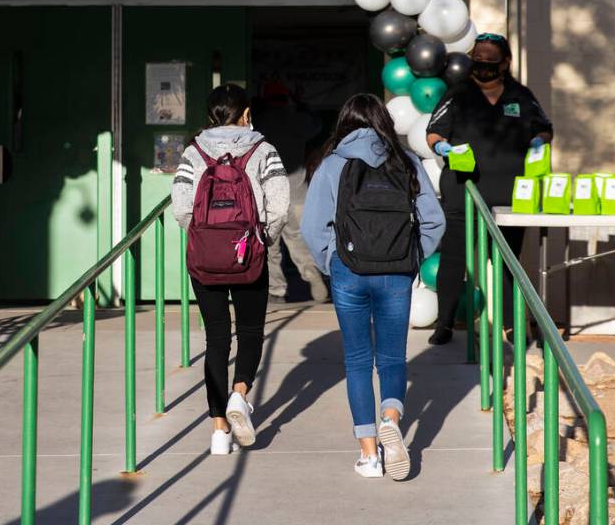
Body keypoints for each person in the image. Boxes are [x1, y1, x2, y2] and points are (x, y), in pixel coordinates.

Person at [301, 93, 445, 480]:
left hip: (349, 270)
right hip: (396, 271)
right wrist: (412, 257)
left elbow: (312, 228)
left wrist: (332, 263)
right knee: (394, 357)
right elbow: (434, 221)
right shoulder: (407, 161)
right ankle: (391, 418)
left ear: (345, 123)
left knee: (358, 361)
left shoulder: (333, 164)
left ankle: (369, 455)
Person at [171, 84, 290, 456]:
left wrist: (204, 238)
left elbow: (181, 207)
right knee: (251, 331)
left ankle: (219, 431)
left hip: (205, 259)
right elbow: (280, 205)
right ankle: (240, 394)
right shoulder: (263, 150)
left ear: (210, 116)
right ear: (246, 113)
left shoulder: (193, 152)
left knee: (216, 339)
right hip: (248, 255)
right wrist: (262, 239)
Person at [424, 33, 552, 346]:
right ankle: (445, 324)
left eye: (489, 60)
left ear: (505, 63)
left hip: (510, 197)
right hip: (462, 193)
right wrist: (442, 148)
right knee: (455, 259)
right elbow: (434, 131)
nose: (481, 65)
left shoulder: (520, 96)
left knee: (507, 262)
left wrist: (539, 142)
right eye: (477, 59)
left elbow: (544, 128)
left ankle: (511, 327)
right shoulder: (458, 94)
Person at [252, 80, 329, 303]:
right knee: (298, 239)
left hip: (268, 192)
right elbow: (318, 125)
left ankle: (276, 291)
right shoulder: (298, 120)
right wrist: (302, 105)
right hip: (296, 191)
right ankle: (311, 273)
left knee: (270, 245)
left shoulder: (259, 122)